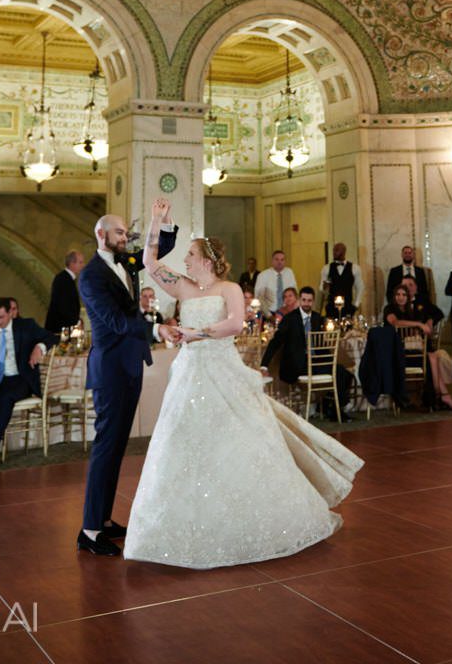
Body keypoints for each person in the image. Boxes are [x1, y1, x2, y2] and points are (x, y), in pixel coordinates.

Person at [124, 232, 362, 568]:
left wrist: (195, 333)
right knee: (182, 442)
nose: (186, 260)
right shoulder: (183, 286)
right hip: (190, 373)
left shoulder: (229, 289)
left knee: (242, 441)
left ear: (207, 260)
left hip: (222, 369)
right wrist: (156, 225)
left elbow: (235, 323)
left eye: (191, 254)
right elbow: (149, 263)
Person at [76, 205, 178, 557]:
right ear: (102, 235)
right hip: (111, 369)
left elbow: (156, 252)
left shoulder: (126, 262)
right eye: (120, 233)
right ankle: (89, 531)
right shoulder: (90, 276)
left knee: (117, 446)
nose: (125, 238)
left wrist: (163, 223)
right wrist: (156, 328)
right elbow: (115, 321)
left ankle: (102, 520)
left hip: (129, 364)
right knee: (106, 446)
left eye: (125, 233)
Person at [0, 297, 57, 468]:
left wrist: (39, 347)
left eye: (1, 317)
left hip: (21, 378)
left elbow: (52, 337)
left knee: (6, 399)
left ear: (11, 312)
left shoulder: (26, 326)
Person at [261, 285, 353, 418]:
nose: (306, 304)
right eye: (304, 300)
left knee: (343, 372)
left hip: (315, 362)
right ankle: (334, 407)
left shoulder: (317, 318)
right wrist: (264, 365)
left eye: (309, 301)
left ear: (313, 301)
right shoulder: (289, 319)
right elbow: (275, 342)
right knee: (338, 372)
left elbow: (323, 340)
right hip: (297, 365)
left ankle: (332, 405)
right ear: (299, 300)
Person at [401, 275, 452, 410]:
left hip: (422, 343)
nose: (407, 288)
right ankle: (440, 395)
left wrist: (430, 320)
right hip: (404, 347)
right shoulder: (399, 303)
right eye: (404, 285)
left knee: (430, 356)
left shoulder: (422, 300)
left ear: (416, 287)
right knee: (431, 358)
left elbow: (438, 313)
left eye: (410, 285)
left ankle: (438, 396)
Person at [45, 250, 85, 332]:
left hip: (64, 328)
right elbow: (64, 306)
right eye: (80, 262)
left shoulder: (67, 278)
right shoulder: (63, 279)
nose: (83, 265)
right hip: (59, 329)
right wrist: (76, 321)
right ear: (72, 264)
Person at [320, 242, 363, 317]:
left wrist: (356, 305)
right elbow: (321, 289)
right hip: (331, 307)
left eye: (337, 250)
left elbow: (360, 287)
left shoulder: (354, 268)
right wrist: (325, 288)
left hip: (348, 306)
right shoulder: (326, 268)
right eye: (333, 250)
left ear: (344, 252)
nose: (334, 253)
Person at [253, 250, 298, 318]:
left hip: (287, 313)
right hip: (269, 313)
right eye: (276, 259)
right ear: (272, 261)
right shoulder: (263, 275)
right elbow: (259, 297)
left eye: (282, 260)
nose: (279, 262)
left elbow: (295, 293)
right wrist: (269, 316)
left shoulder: (289, 273)